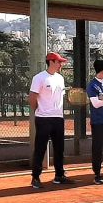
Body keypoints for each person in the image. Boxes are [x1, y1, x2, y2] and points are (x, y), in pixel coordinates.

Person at [29, 52, 73, 189]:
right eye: (59, 62)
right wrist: (38, 111)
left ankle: (59, 175)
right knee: (40, 148)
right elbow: (32, 97)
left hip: (58, 118)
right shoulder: (39, 78)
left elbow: (60, 97)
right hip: (43, 119)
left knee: (59, 148)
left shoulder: (60, 78)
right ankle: (35, 177)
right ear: (51, 62)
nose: (61, 65)